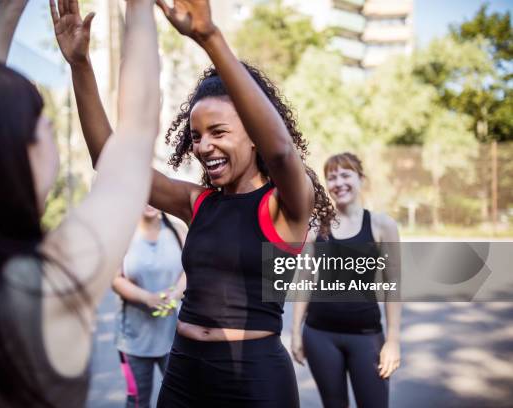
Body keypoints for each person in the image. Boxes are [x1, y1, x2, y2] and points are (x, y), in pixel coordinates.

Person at [63, 0, 336, 405]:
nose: (204, 146)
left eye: (219, 131)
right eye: (196, 135)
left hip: (255, 377)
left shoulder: (287, 204)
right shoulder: (198, 202)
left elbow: (281, 153)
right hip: (184, 370)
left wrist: (209, 38)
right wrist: (80, 66)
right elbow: (111, 162)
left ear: (254, 134)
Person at [0, 0, 161, 406]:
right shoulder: (39, 290)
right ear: (14, 154)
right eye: (46, 125)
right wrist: (140, 7)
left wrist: (7, 11)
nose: (52, 134)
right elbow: (136, 132)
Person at [291, 152, 402, 408]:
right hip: (319, 335)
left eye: (345, 174)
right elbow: (304, 280)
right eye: (332, 177)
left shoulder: (381, 225)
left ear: (361, 179)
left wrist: (393, 340)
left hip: (365, 335)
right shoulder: (316, 226)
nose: (338, 183)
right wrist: (296, 333)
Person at [112, 206, 187, 408]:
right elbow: (114, 279)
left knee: (181, 398)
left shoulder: (177, 229)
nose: (150, 201)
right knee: (136, 401)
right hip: (132, 342)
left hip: (175, 338)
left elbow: (190, 268)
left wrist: (175, 294)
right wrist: (148, 298)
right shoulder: (123, 233)